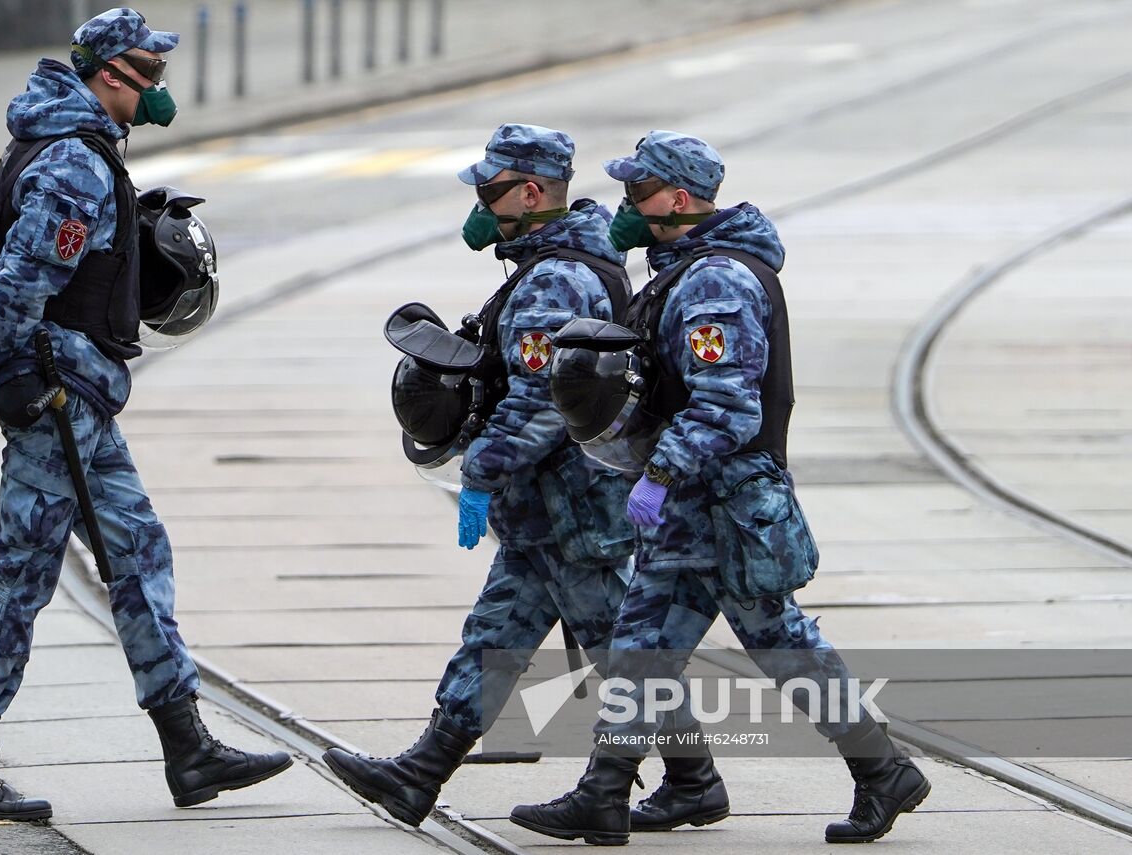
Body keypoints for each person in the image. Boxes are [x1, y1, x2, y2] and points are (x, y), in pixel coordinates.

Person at [509, 131, 931, 845]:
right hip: (693, 504)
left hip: (724, 502)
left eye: (639, 192)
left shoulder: (715, 280)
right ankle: (607, 793)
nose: (627, 206)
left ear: (678, 198)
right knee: (647, 644)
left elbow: (728, 406)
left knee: (775, 641)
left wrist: (663, 472)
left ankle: (881, 769)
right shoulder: (684, 269)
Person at [0, 7, 290, 821]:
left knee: (135, 550)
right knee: (20, 576)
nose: (158, 93)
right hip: (54, 398)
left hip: (78, 396)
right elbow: (17, 285)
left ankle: (186, 744)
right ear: (107, 75)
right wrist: (10, 375)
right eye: (149, 77)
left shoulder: (73, 144)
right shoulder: (74, 163)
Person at [321, 124, 636, 827]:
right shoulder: (559, 260)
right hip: (547, 512)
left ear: (532, 191)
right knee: (496, 635)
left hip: (572, 511)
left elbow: (541, 398)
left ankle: (661, 784)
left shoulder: (556, 275)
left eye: (493, 191)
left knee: (623, 654)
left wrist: (481, 471)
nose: (482, 207)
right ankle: (419, 774)